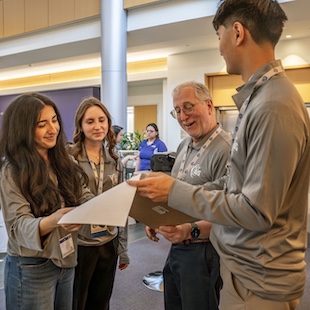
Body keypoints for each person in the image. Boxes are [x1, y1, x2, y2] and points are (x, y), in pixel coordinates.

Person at [127, 1, 310, 309]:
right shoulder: (260, 99)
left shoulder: (273, 105)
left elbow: (256, 210)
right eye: (178, 111)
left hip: (258, 278)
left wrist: (174, 192)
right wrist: (167, 197)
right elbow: (233, 188)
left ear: (237, 32)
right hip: (245, 270)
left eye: (219, 35)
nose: (221, 47)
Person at [0, 92, 94, 310]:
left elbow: (84, 194)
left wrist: (97, 206)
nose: (53, 129)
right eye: (42, 124)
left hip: (67, 259)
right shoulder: (12, 170)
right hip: (32, 265)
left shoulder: (65, 161)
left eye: (54, 121)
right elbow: (18, 227)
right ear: (23, 129)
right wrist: (55, 220)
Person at [146, 81, 231, 310]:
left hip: (204, 250)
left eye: (189, 107)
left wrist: (189, 229)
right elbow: (177, 192)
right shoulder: (184, 145)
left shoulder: (226, 148)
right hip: (177, 248)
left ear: (209, 106)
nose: (183, 116)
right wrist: (156, 217)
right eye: (178, 111)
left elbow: (229, 212)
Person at [67, 97, 129, 310]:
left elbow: (123, 204)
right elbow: (76, 194)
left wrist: (123, 247)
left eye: (102, 120)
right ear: (81, 126)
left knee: (102, 302)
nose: (97, 126)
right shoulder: (70, 157)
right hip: (80, 243)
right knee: (77, 302)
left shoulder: (114, 159)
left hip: (108, 240)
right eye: (90, 121)